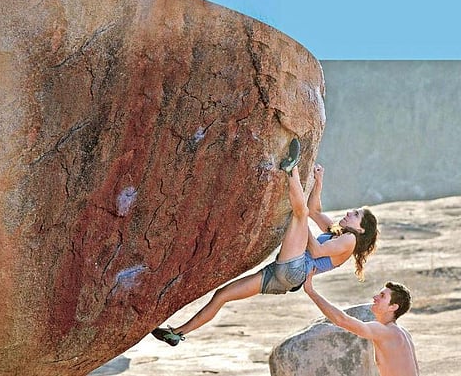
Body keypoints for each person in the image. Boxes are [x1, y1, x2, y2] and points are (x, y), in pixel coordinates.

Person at [151, 138, 379, 346]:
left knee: (298, 214)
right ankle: (177, 334)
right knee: (222, 295)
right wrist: (319, 182)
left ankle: (292, 169)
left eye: (355, 214)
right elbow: (315, 211)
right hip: (284, 277)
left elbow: (317, 249)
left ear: (360, 229)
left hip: (295, 270)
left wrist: (301, 225)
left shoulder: (349, 240)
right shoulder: (338, 233)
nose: (349, 212)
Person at [303, 270, 419, 376]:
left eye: (382, 296)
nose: (375, 297)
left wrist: (311, 291)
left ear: (393, 307)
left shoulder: (385, 331)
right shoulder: (403, 333)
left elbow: (341, 320)